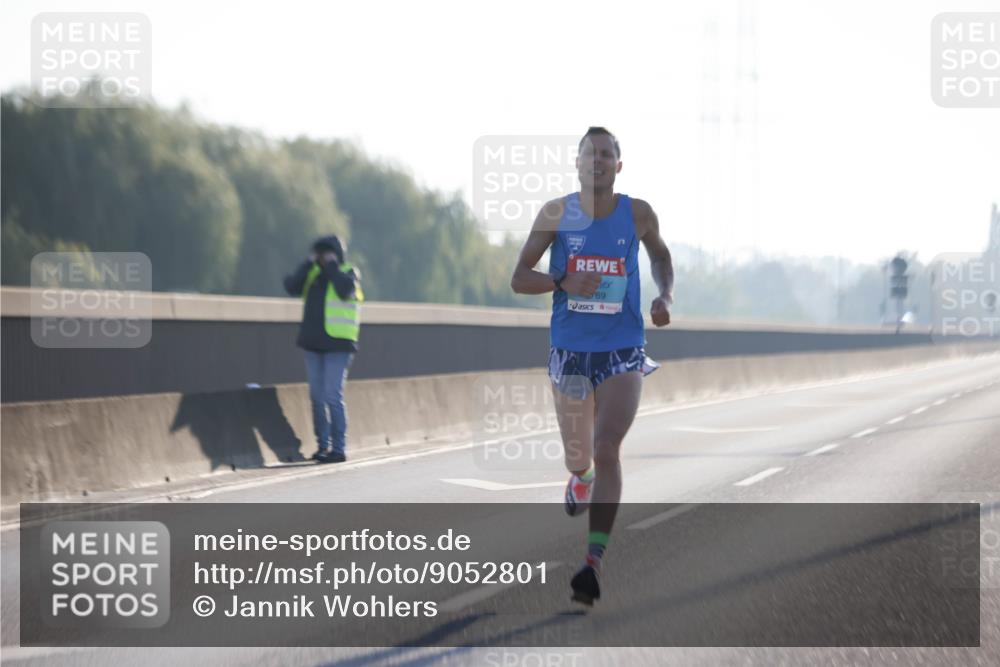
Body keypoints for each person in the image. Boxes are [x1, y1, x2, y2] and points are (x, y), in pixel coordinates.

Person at [510, 127, 674, 605]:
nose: (597, 161)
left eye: (606, 154)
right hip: (571, 350)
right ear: (577, 163)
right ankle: (578, 478)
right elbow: (520, 278)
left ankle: (592, 563)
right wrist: (563, 280)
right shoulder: (556, 213)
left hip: (623, 348)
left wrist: (664, 295)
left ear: (618, 166)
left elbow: (661, 256)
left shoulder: (637, 213)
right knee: (580, 456)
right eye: (589, 154)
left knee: (607, 448)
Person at [283, 235, 364, 464]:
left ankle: (338, 448)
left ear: (337, 253)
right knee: (317, 397)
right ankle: (322, 446)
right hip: (313, 344)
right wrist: (308, 263)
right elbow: (291, 286)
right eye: (320, 253)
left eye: (328, 252)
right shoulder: (312, 274)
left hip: (338, 344)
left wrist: (331, 266)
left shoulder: (348, 272)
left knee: (332, 395)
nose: (323, 256)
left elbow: (344, 290)